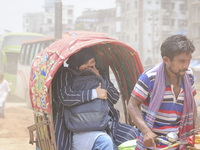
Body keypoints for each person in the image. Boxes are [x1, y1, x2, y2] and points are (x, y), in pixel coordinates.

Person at [52, 47, 137, 150]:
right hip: (77, 126)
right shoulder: (66, 74)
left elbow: (114, 97)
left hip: (104, 123)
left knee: (133, 134)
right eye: (85, 63)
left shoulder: (99, 73)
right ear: (76, 63)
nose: (90, 66)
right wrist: (94, 94)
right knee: (105, 142)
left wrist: (99, 77)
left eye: (92, 61)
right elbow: (65, 96)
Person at [127, 34, 199, 150]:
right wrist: (146, 132)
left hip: (180, 142)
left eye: (189, 61)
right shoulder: (149, 77)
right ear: (166, 60)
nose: (186, 66)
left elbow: (192, 104)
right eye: (181, 61)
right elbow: (132, 105)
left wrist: (195, 129)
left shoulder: (188, 75)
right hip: (154, 143)